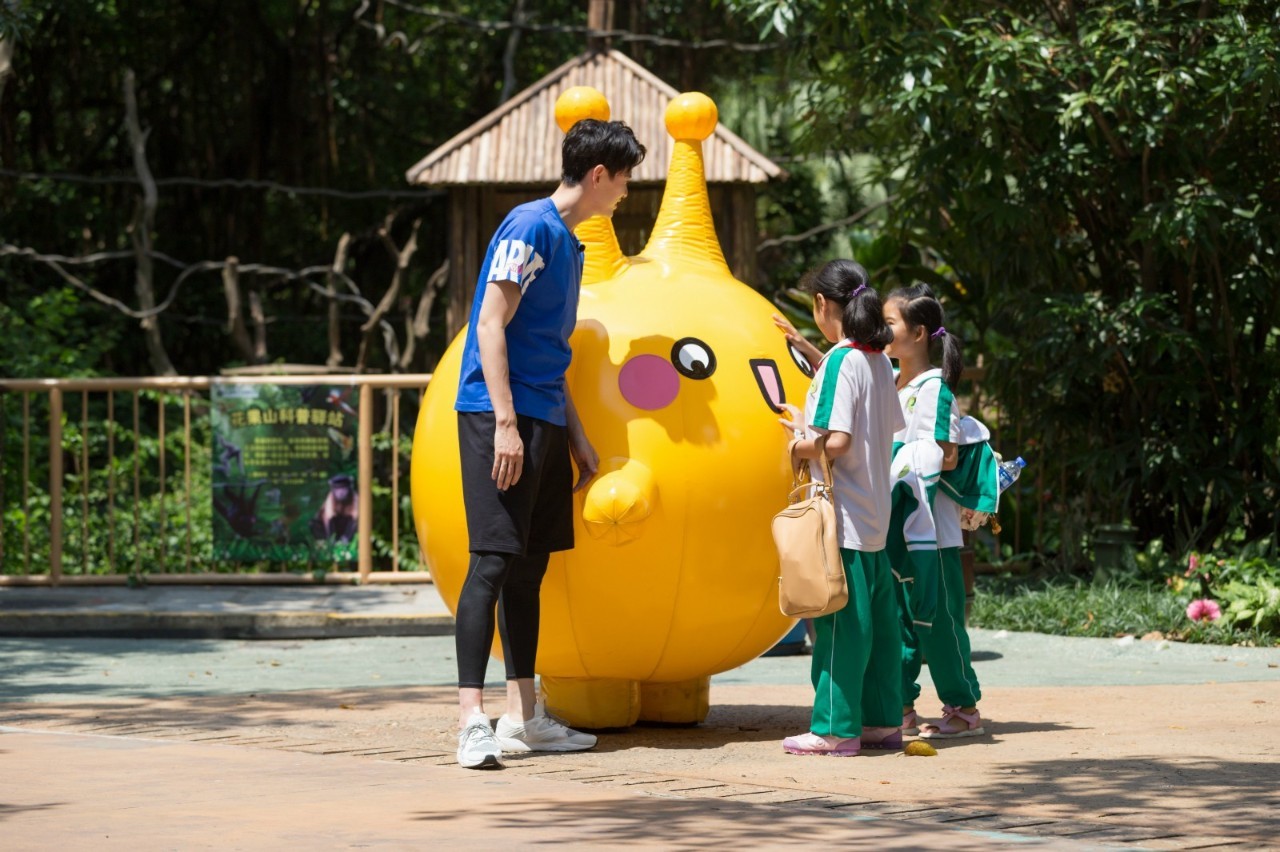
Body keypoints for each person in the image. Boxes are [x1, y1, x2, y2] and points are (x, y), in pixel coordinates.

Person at [452, 118, 646, 769]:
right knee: (491, 563)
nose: (624, 193)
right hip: (495, 415)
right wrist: (505, 422)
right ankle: (472, 720)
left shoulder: (572, 244)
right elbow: (490, 323)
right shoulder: (529, 226)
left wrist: (577, 435)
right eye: (623, 181)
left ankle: (523, 718)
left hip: (543, 418)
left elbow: (549, 351)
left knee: (529, 569)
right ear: (598, 175)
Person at [775, 260, 905, 756]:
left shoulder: (839, 361)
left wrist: (798, 444)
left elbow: (838, 441)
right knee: (878, 627)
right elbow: (881, 430)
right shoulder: (878, 362)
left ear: (823, 305)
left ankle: (834, 728)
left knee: (837, 627)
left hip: (842, 520)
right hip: (875, 516)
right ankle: (879, 722)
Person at [883, 283, 985, 739]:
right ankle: (899, 707)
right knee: (899, 618)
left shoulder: (934, 389)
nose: (881, 331)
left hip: (933, 531)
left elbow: (947, 456)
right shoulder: (888, 380)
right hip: (892, 525)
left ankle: (962, 707)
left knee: (937, 620)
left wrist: (897, 457)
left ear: (919, 332)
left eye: (889, 323)